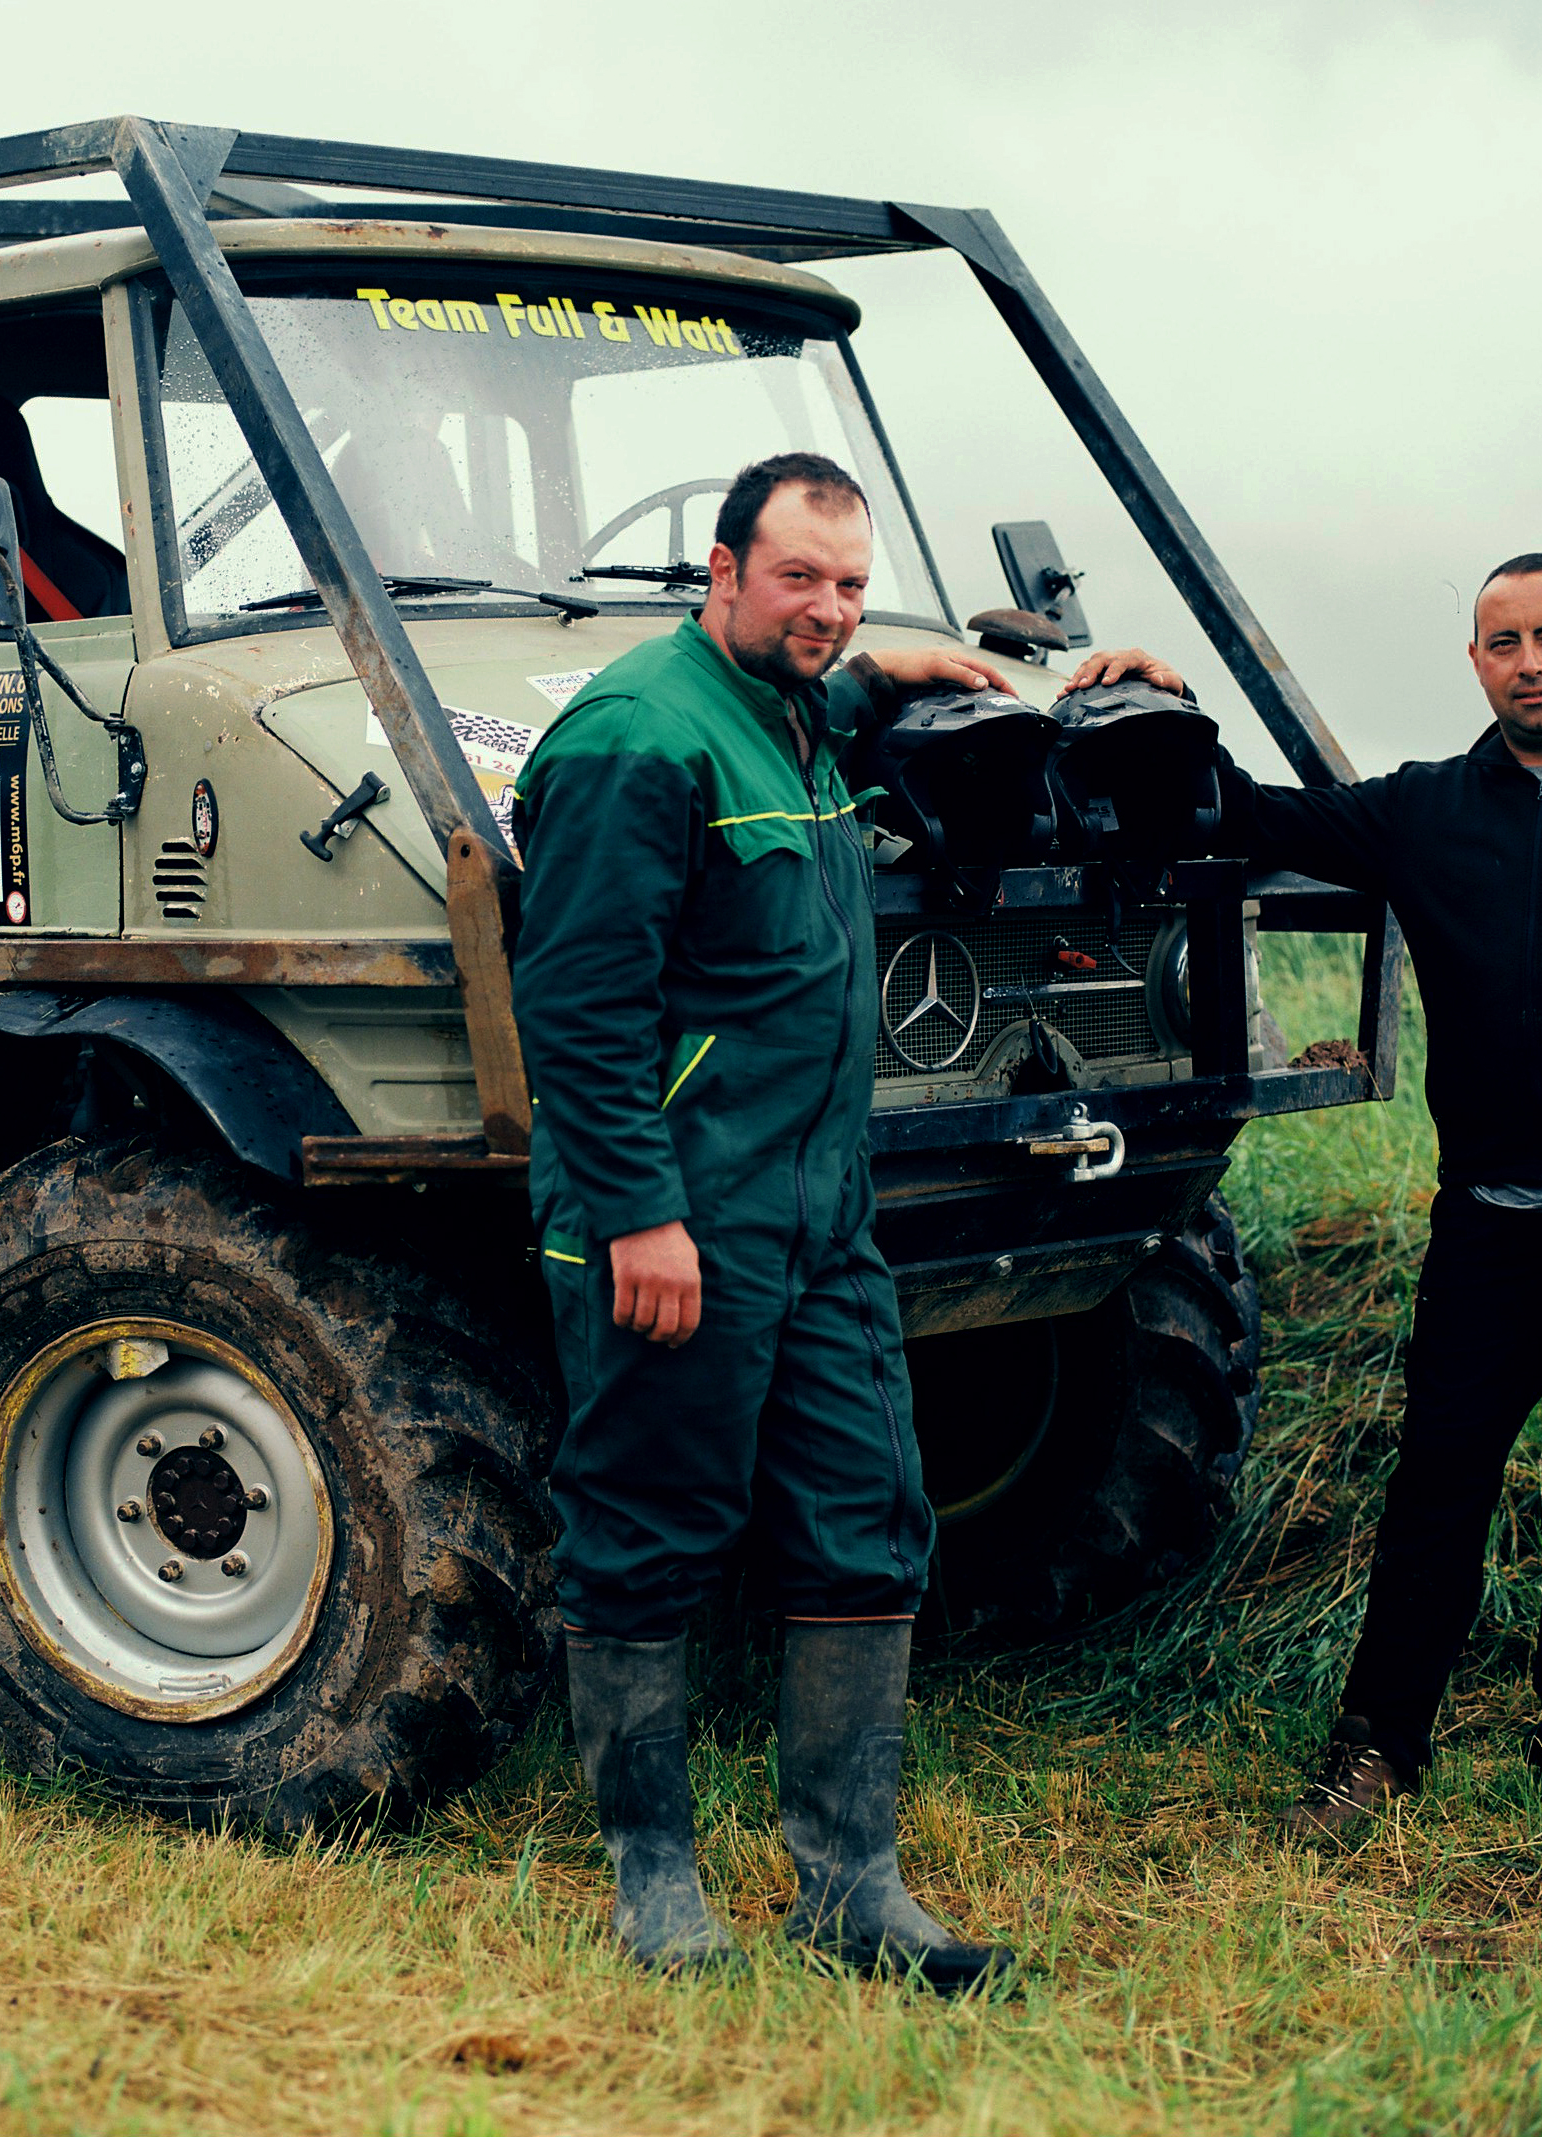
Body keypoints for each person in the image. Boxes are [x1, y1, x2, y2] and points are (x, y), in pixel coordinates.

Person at [1069, 554, 1542, 1861]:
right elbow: (1246, 815)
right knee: (1436, 1483)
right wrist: (1167, 710)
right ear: (1473, 662)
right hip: (1487, 1222)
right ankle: (1376, 1744)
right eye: (1501, 642)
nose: (1527, 662)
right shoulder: (1424, 807)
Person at [510, 452, 1016, 1986]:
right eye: (799, 577)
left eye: (850, 585)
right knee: (648, 1528)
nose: (828, 608)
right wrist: (638, 1215)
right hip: (678, 1218)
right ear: (720, 571)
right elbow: (577, 1007)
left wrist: (895, 667)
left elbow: (834, 690)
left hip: (817, 1219)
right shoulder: (635, 737)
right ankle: (652, 1882)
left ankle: (852, 1889)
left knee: (867, 1520)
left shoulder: (795, 711)